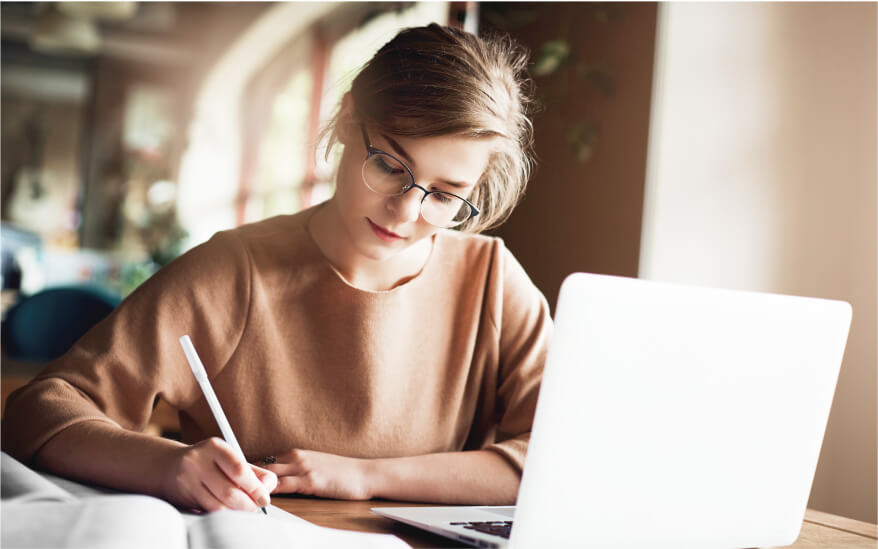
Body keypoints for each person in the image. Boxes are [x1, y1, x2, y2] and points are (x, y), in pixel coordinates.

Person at [1, 23, 551, 513]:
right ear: (346, 121)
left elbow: (555, 461)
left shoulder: (493, 283)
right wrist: (166, 466)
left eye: (446, 194)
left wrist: (362, 477)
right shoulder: (235, 270)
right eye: (389, 165)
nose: (407, 211)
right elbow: (38, 413)